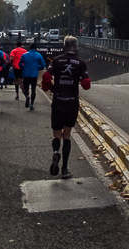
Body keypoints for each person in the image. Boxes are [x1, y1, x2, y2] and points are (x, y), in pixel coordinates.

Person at [41, 35, 90, 178]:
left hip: (58, 101)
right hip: (72, 102)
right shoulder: (80, 63)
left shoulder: (56, 61)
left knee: (57, 134)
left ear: (64, 46)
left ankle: (56, 152)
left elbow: (46, 77)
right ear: (76, 47)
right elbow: (86, 83)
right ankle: (64, 169)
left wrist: (49, 87)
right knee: (67, 134)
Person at [19, 42, 47, 111]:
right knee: (33, 89)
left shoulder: (24, 55)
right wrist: (37, 67)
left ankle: (27, 96)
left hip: (26, 74)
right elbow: (43, 65)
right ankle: (31, 104)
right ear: (36, 48)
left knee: (25, 89)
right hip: (34, 74)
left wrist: (23, 68)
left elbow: (20, 63)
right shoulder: (38, 55)